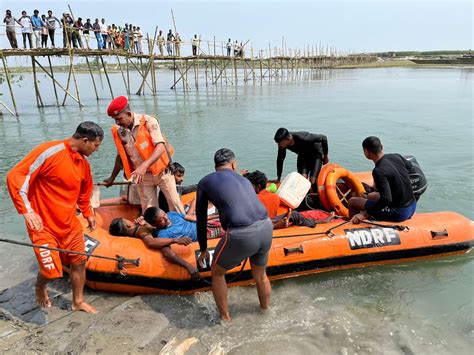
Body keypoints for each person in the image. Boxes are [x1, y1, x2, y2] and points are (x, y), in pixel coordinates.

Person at [6, 122, 103, 313]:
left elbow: (84, 193)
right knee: (51, 272)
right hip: (43, 225)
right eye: (96, 145)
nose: (97, 150)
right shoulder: (50, 151)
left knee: (80, 261)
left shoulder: (83, 164)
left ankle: (78, 301)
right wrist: (27, 211)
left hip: (69, 224)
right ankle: (40, 286)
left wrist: (88, 213)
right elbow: (15, 177)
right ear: (85, 140)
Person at [196, 149, 273, 321]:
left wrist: (203, 249)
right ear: (233, 164)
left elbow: (201, 220)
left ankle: (225, 319)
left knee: (216, 271)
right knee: (260, 275)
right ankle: (265, 311)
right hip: (266, 226)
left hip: (242, 233)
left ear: (215, 165)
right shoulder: (244, 180)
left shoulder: (204, 182)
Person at [104, 96, 185, 214]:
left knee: (174, 204)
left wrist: (144, 166)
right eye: (114, 119)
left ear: (128, 113)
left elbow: (161, 146)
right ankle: (154, 230)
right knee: (149, 209)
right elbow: (120, 156)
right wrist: (112, 177)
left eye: (119, 118)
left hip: (162, 171)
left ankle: (184, 229)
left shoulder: (148, 121)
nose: (117, 122)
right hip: (142, 176)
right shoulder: (119, 131)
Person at [348, 136, 417, 224]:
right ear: (382, 147)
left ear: (366, 152)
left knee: (353, 201)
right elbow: (411, 169)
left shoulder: (379, 171)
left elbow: (386, 200)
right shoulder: (396, 156)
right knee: (370, 196)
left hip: (399, 212)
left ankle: (353, 226)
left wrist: (365, 214)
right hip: (412, 205)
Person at [109, 215, 199, 280]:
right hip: (165, 237)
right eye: (127, 220)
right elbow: (150, 242)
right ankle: (188, 266)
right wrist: (175, 240)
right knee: (167, 251)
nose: (131, 220)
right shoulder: (141, 231)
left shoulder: (139, 228)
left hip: (164, 233)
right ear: (128, 226)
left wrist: (144, 222)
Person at [245, 170, 326, 228]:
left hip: (261, 224)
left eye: (251, 185)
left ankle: (277, 225)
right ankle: (319, 221)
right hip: (269, 220)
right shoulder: (275, 197)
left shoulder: (253, 199)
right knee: (295, 214)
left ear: (258, 186)